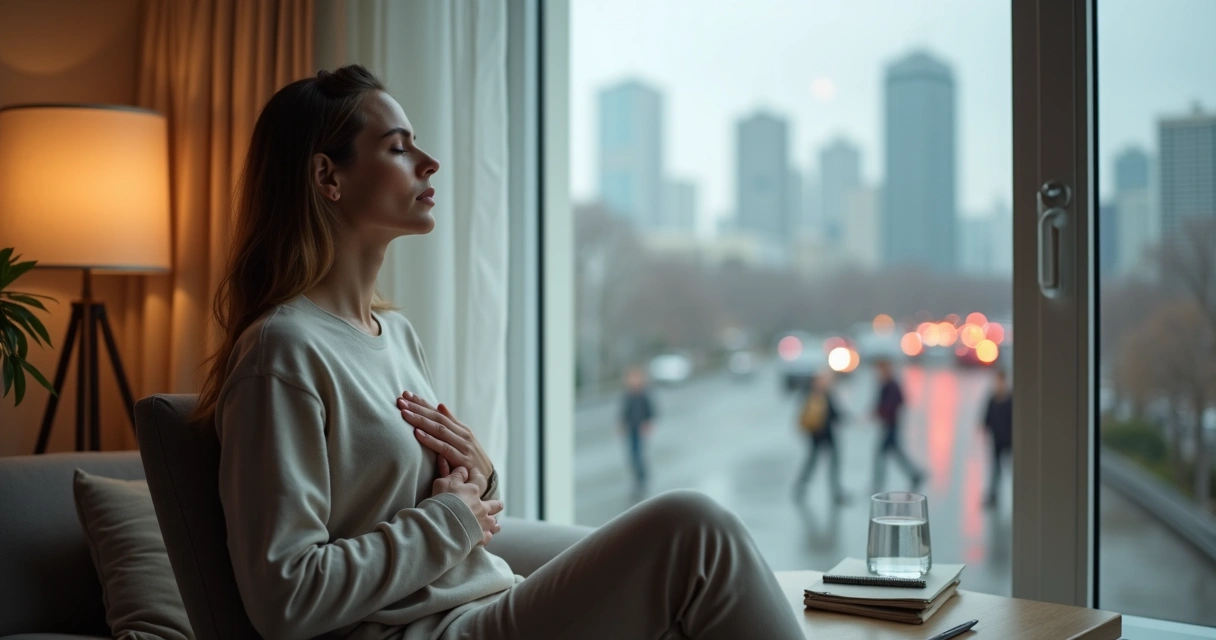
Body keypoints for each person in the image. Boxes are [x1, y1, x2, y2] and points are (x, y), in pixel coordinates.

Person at [194, 65, 804, 640]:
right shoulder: (283, 352)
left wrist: (478, 478)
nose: (430, 163)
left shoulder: (396, 335)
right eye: (399, 148)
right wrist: (453, 520)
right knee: (694, 530)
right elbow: (285, 596)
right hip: (425, 631)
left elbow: (434, 501)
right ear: (328, 177)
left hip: (482, 599)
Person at [792, 371, 848, 505]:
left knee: (832, 463)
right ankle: (800, 487)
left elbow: (834, 412)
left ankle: (836, 491)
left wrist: (846, 418)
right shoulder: (810, 394)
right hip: (817, 434)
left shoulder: (825, 393)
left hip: (828, 434)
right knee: (812, 463)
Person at [872, 359, 925, 492]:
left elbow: (895, 402)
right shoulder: (886, 384)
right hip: (888, 425)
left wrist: (881, 412)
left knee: (885, 454)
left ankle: (879, 483)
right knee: (892, 454)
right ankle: (914, 474)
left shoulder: (891, 385)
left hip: (891, 425)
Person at [619, 366, 655, 496]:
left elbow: (650, 412)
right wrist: (622, 424)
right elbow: (624, 412)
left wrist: (647, 424)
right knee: (632, 456)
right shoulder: (628, 395)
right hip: (631, 430)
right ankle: (636, 479)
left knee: (639, 456)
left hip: (640, 430)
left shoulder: (644, 395)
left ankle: (642, 479)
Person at [983, 369, 1014, 507]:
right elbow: (986, 418)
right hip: (997, 441)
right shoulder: (992, 399)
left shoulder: (1010, 400)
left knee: (1012, 469)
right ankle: (992, 496)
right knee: (995, 470)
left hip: (1010, 441)